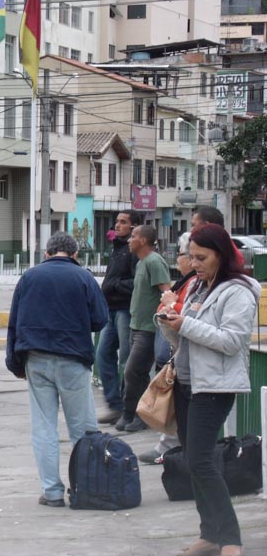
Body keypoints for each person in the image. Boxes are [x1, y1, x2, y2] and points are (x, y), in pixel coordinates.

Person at [158, 224, 258, 556]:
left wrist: (186, 323)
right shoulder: (199, 287)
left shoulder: (239, 290)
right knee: (192, 459)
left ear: (221, 254)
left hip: (215, 386)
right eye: (191, 257)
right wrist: (170, 321)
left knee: (201, 461)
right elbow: (186, 340)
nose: (194, 264)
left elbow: (231, 342)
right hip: (188, 383)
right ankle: (209, 533)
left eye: (202, 257)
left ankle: (231, 539)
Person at [6, 232, 108, 508]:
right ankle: (85, 488)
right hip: (74, 360)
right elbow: (100, 319)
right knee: (82, 429)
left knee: (44, 427)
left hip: (36, 359)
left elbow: (14, 322)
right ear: (75, 254)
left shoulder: (29, 277)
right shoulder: (84, 277)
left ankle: (51, 492)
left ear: (47, 254)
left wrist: (14, 363)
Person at [138, 232, 196, 464]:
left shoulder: (194, 281)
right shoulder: (188, 281)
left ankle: (173, 449)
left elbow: (186, 312)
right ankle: (170, 446)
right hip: (178, 351)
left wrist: (172, 303)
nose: (179, 260)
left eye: (181, 255)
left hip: (186, 353)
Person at [115, 224, 170, 432]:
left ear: (144, 241)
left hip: (149, 328)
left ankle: (137, 414)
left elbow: (166, 292)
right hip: (135, 326)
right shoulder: (141, 263)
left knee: (133, 371)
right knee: (136, 373)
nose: (129, 240)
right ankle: (133, 413)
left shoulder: (154, 261)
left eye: (134, 236)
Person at [96, 210, 142, 424]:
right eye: (117, 222)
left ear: (134, 227)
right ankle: (114, 405)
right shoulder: (116, 249)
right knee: (103, 355)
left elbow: (137, 283)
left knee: (127, 360)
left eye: (123, 222)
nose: (118, 225)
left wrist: (113, 285)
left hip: (125, 310)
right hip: (110, 310)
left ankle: (129, 408)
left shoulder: (134, 251)